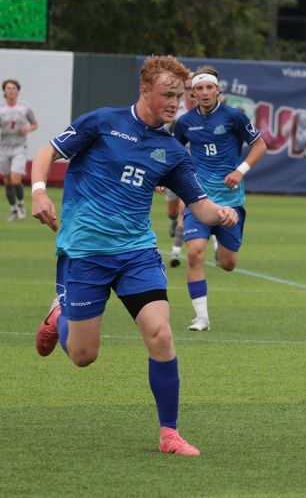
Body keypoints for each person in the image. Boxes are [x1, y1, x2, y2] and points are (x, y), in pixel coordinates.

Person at [31, 55, 240, 457]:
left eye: (179, 98)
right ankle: (60, 314)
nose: (175, 104)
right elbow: (46, 153)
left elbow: (200, 207)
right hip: (87, 252)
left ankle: (169, 433)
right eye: (167, 95)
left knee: (161, 335)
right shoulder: (102, 122)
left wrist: (222, 213)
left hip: (137, 254)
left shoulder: (171, 150)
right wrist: (39, 190)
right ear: (144, 90)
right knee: (83, 356)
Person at [173, 66, 267, 332]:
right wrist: (162, 177)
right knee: (193, 255)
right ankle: (201, 317)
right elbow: (172, 150)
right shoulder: (185, 122)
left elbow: (260, 145)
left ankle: (219, 247)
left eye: (208, 88)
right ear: (192, 93)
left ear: (218, 91)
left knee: (228, 264)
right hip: (198, 199)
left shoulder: (234, 117)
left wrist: (240, 170)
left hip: (229, 201)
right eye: (198, 89)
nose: (203, 93)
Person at [163, 75, 198, 268]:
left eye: (194, 88)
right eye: (188, 88)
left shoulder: (206, 112)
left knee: (185, 209)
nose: (192, 92)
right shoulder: (175, 112)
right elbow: (165, 140)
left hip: (194, 170)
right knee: (173, 211)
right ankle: (173, 219)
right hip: (173, 168)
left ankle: (175, 253)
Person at [1, 79, 38, 221]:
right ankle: (13, 210)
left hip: (19, 147)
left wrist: (28, 128)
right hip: (3, 148)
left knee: (16, 178)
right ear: (4, 91)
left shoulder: (25, 108)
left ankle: (21, 204)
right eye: (8, 88)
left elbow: (35, 124)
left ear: (18, 91)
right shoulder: (1, 108)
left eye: (14, 88)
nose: (11, 91)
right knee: (7, 180)